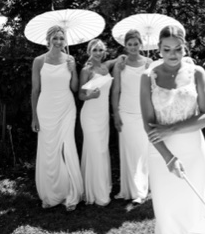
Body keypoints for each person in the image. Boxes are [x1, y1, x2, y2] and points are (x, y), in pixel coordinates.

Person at [140, 25, 205, 234]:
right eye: (166, 49)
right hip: (160, 151)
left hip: (192, 148)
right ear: (158, 50)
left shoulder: (197, 73)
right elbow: (149, 124)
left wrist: (172, 129)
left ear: (185, 47)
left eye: (178, 49)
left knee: (193, 207)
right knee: (167, 210)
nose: (172, 54)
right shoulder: (147, 77)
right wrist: (169, 157)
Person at [31, 24, 82, 210]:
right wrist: (34, 117)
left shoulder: (70, 59)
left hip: (67, 108)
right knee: (49, 151)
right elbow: (35, 91)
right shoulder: (39, 61)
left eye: (62, 38)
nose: (59, 42)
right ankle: (51, 194)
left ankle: (71, 194)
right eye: (55, 38)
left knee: (66, 148)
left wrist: (73, 69)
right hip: (45, 110)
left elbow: (75, 88)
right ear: (49, 40)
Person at [110, 28, 153, 206]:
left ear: (140, 44)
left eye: (136, 44)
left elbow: (153, 89)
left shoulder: (149, 62)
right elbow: (115, 90)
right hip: (125, 112)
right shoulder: (120, 64)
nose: (133, 47)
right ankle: (127, 190)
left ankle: (140, 191)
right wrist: (115, 114)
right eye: (130, 44)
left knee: (142, 151)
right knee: (127, 151)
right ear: (125, 46)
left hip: (143, 112)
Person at [76, 40, 116, 206]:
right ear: (89, 51)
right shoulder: (87, 70)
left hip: (103, 116)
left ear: (104, 51)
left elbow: (121, 58)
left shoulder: (106, 66)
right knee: (95, 150)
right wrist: (91, 95)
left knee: (102, 150)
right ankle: (96, 193)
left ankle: (102, 187)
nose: (98, 52)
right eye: (95, 50)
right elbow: (80, 95)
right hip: (90, 115)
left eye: (100, 49)